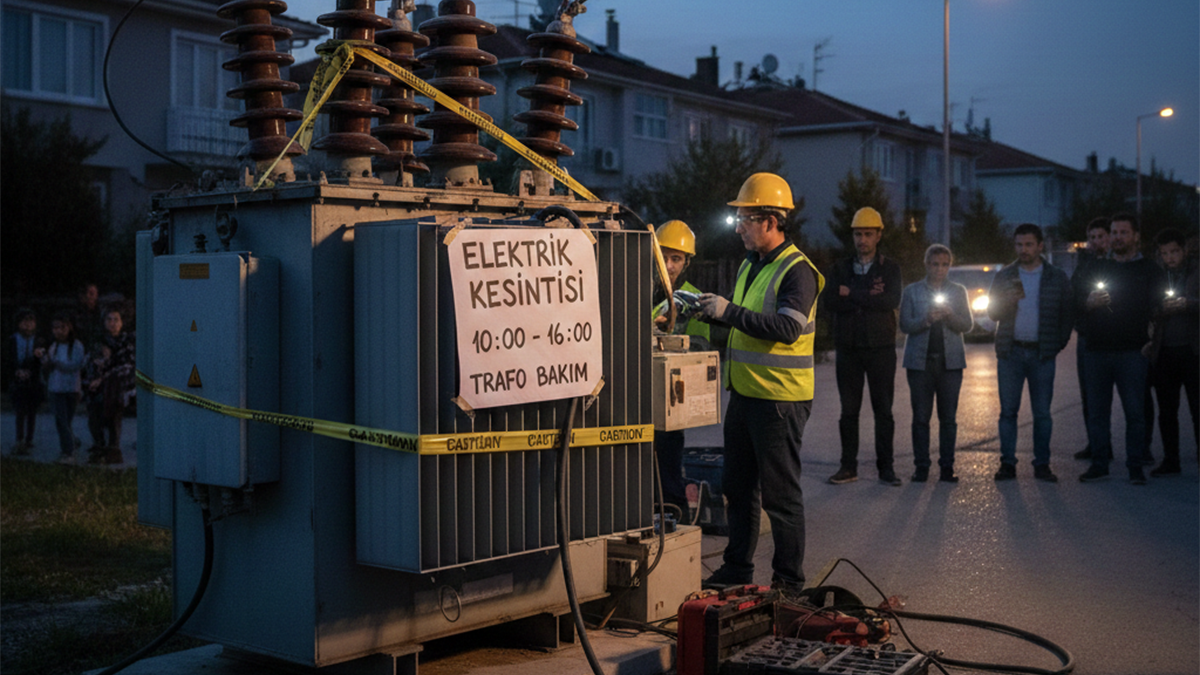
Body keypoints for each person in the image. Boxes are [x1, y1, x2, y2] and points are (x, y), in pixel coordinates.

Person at [694, 172, 823, 592]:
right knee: (738, 488)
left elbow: (786, 328)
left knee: (780, 498)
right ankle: (737, 568)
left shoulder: (797, 271)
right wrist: (710, 315)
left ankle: (788, 582)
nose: (739, 228)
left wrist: (728, 311)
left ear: (770, 221)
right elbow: (745, 324)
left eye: (745, 219)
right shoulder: (752, 264)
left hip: (779, 401)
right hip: (746, 395)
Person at [1074, 213, 1163, 484]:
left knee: (1135, 412)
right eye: (1114, 232)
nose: (1117, 237)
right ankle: (1099, 464)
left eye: (1124, 232)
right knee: (1098, 413)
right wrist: (1088, 303)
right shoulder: (1096, 267)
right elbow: (1075, 300)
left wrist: (1152, 340)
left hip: (1133, 352)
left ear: (1136, 236)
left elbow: (1159, 308)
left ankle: (1135, 466)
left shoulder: (1149, 270)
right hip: (1097, 351)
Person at [823, 206, 903, 486]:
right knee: (849, 410)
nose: (862, 240)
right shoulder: (839, 268)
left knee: (883, 410)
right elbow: (830, 301)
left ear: (879, 235)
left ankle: (886, 468)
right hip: (849, 348)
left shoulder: (890, 268)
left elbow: (890, 301)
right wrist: (869, 295)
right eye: (858, 234)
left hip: (881, 348)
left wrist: (852, 293)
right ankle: (848, 467)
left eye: (868, 234)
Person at [987, 223, 1074, 482]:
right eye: (1019, 245)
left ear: (1040, 246)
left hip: (1041, 354)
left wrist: (1057, 344)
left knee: (1042, 413)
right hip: (1011, 352)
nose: (1023, 250)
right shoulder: (1005, 276)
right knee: (1008, 412)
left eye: (1028, 245)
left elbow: (1067, 313)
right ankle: (1007, 464)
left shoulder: (1056, 276)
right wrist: (1006, 302)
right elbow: (992, 313)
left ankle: (1042, 464)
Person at [651, 219, 710, 518]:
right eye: (663, 256)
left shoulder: (694, 300)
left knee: (668, 460)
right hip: (634, 390)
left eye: (676, 258)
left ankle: (673, 512)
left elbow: (700, 349)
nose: (669, 265)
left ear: (686, 263)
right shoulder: (635, 287)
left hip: (668, 396)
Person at [899, 245, 973, 482]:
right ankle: (921, 467)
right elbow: (905, 325)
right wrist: (927, 319)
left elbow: (967, 325)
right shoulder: (912, 291)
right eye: (935, 264)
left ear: (949, 266)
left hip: (950, 364)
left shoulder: (958, 291)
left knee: (948, 418)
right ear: (926, 264)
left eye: (944, 264)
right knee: (921, 417)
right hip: (920, 364)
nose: (940, 269)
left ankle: (947, 467)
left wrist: (950, 315)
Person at [1145, 228, 1198, 475]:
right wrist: (1160, 308)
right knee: (1167, 411)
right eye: (1165, 253)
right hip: (1165, 352)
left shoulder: (1196, 271)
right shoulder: (1158, 275)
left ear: (1184, 250)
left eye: (1174, 252)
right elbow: (1149, 307)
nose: (1170, 258)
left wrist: (1188, 304)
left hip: (1194, 351)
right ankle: (1171, 460)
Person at [1072, 218, 1111, 461]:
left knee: (1135, 398)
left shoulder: (1119, 263)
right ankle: (1097, 444)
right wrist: (1085, 304)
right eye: (1092, 237)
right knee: (1090, 396)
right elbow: (1073, 295)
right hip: (1088, 337)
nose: (1096, 242)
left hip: (1120, 338)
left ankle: (1142, 448)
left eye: (1101, 237)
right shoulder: (1084, 265)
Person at [86, 308, 136, 465]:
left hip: (118, 387)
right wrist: (96, 375)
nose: (112, 323)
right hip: (97, 387)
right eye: (109, 319)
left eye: (116, 319)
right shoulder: (99, 341)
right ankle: (99, 447)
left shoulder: (127, 341)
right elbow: (92, 362)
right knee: (94, 415)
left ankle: (113, 450)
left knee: (113, 416)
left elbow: (127, 365)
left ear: (121, 323)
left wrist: (103, 377)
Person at [40, 313, 86, 465]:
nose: (58, 331)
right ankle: (68, 450)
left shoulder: (77, 346)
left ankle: (70, 445)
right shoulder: (53, 346)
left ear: (69, 328)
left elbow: (76, 365)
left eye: (62, 327)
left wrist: (57, 364)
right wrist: (45, 361)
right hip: (55, 389)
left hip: (72, 389)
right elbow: (47, 366)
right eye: (55, 328)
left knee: (66, 421)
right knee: (61, 421)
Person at [4, 309, 46, 455]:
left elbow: (41, 361)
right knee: (20, 411)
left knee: (32, 411)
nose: (28, 325)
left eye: (31, 321)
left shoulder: (39, 340)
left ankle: (29, 439)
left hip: (33, 379)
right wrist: (16, 371)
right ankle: (19, 438)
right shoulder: (12, 340)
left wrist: (31, 370)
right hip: (18, 379)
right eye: (24, 321)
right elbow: (8, 359)